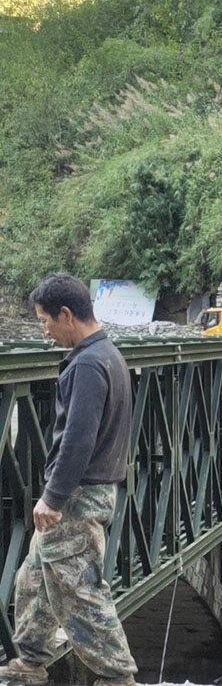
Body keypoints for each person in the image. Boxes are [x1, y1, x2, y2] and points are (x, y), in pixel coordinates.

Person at [0, 273, 138, 686]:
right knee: (36, 576)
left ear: (66, 314)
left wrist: (54, 497)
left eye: (45, 320)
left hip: (78, 496)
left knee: (81, 593)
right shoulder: (107, 354)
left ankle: (118, 677)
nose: (44, 330)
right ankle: (30, 658)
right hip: (89, 489)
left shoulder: (89, 364)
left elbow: (78, 439)